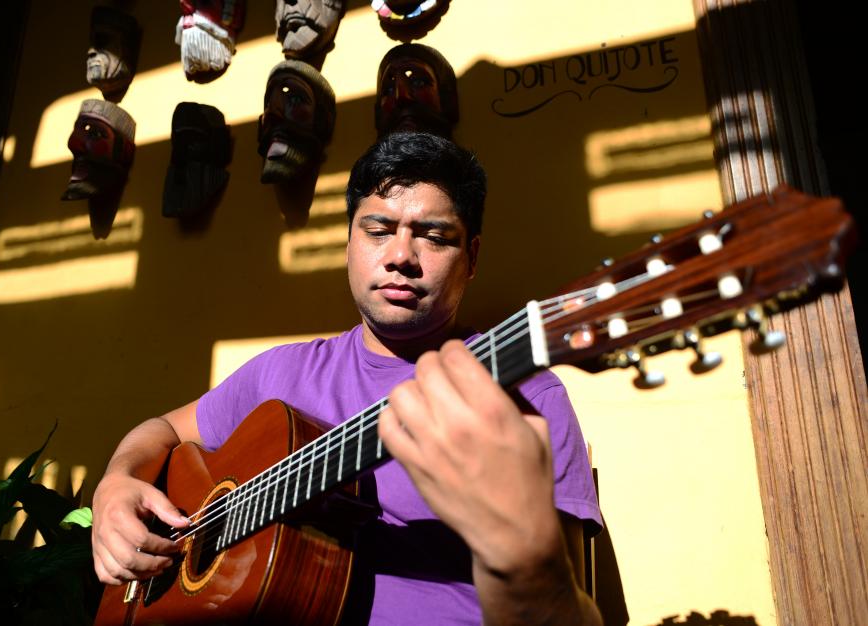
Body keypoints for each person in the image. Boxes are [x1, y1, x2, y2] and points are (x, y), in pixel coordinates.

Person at [92, 132, 603, 625]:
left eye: (434, 236)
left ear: (471, 258)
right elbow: (165, 429)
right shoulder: (281, 373)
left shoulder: (526, 400)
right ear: (349, 243)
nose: (401, 256)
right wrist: (118, 482)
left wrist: (523, 552)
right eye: (378, 231)